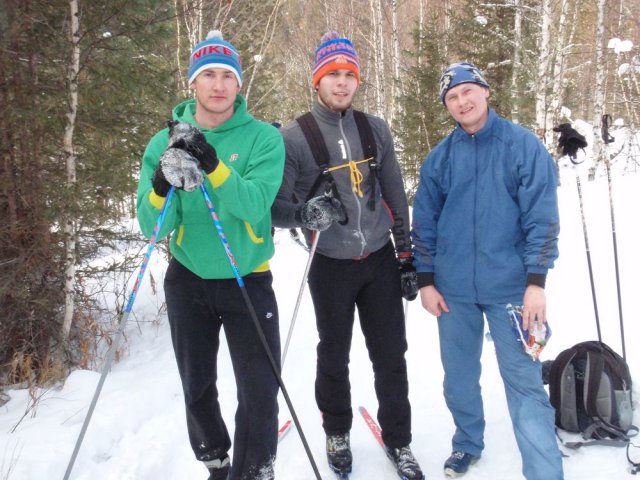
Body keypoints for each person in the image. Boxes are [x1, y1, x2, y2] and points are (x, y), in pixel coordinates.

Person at [271, 31, 424, 480]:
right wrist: (306, 211)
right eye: (332, 74)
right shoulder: (294, 137)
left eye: (349, 75)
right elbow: (276, 210)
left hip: (377, 259)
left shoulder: (373, 128)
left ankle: (400, 440)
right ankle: (336, 430)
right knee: (333, 353)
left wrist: (407, 256)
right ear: (316, 81)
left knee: (391, 354)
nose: (341, 83)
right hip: (330, 264)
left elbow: (395, 193)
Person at [136, 30, 285, 480]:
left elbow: (254, 205)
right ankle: (216, 461)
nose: (218, 85)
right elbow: (150, 227)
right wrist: (162, 187)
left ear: (239, 85)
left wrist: (214, 164)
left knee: (259, 389)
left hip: (247, 278)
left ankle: (256, 469)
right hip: (189, 279)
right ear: (193, 83)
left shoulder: (263, 138)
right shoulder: (162, 143)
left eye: (227, 75)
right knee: (197, 384)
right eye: (208, 75)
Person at [411, 62, 563, 480]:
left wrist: (536, 282)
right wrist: (426, 280)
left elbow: (543, 218)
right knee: (458, 378)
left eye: (466, 92)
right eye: (452, 98)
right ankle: (467, 443)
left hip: (512, 288)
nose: (461, 102)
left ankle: (545, 471)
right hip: (453, 289)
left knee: (525, 383)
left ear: (485, 91)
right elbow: (423, 222)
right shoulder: (440, 158)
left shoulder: (522, 146)